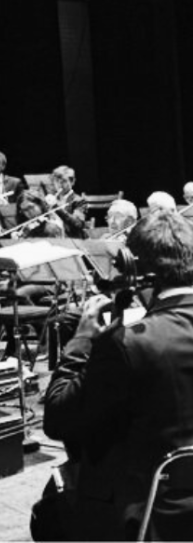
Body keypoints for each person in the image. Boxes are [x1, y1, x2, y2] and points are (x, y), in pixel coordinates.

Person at [42, 209, 193, 540]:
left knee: (49, 511)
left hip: (156, 515)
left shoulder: (127, 345)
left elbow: (57, 418)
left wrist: (83, 339)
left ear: (136, 272)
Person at [45, 165, 87, 238]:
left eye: (63, 181)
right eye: (57, 181)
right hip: (55, 239)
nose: (60, 185)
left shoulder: (79, 201)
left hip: (72, 240)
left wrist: (56, 206)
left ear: (72, 182)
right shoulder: (51, 199)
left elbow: (78, 224)